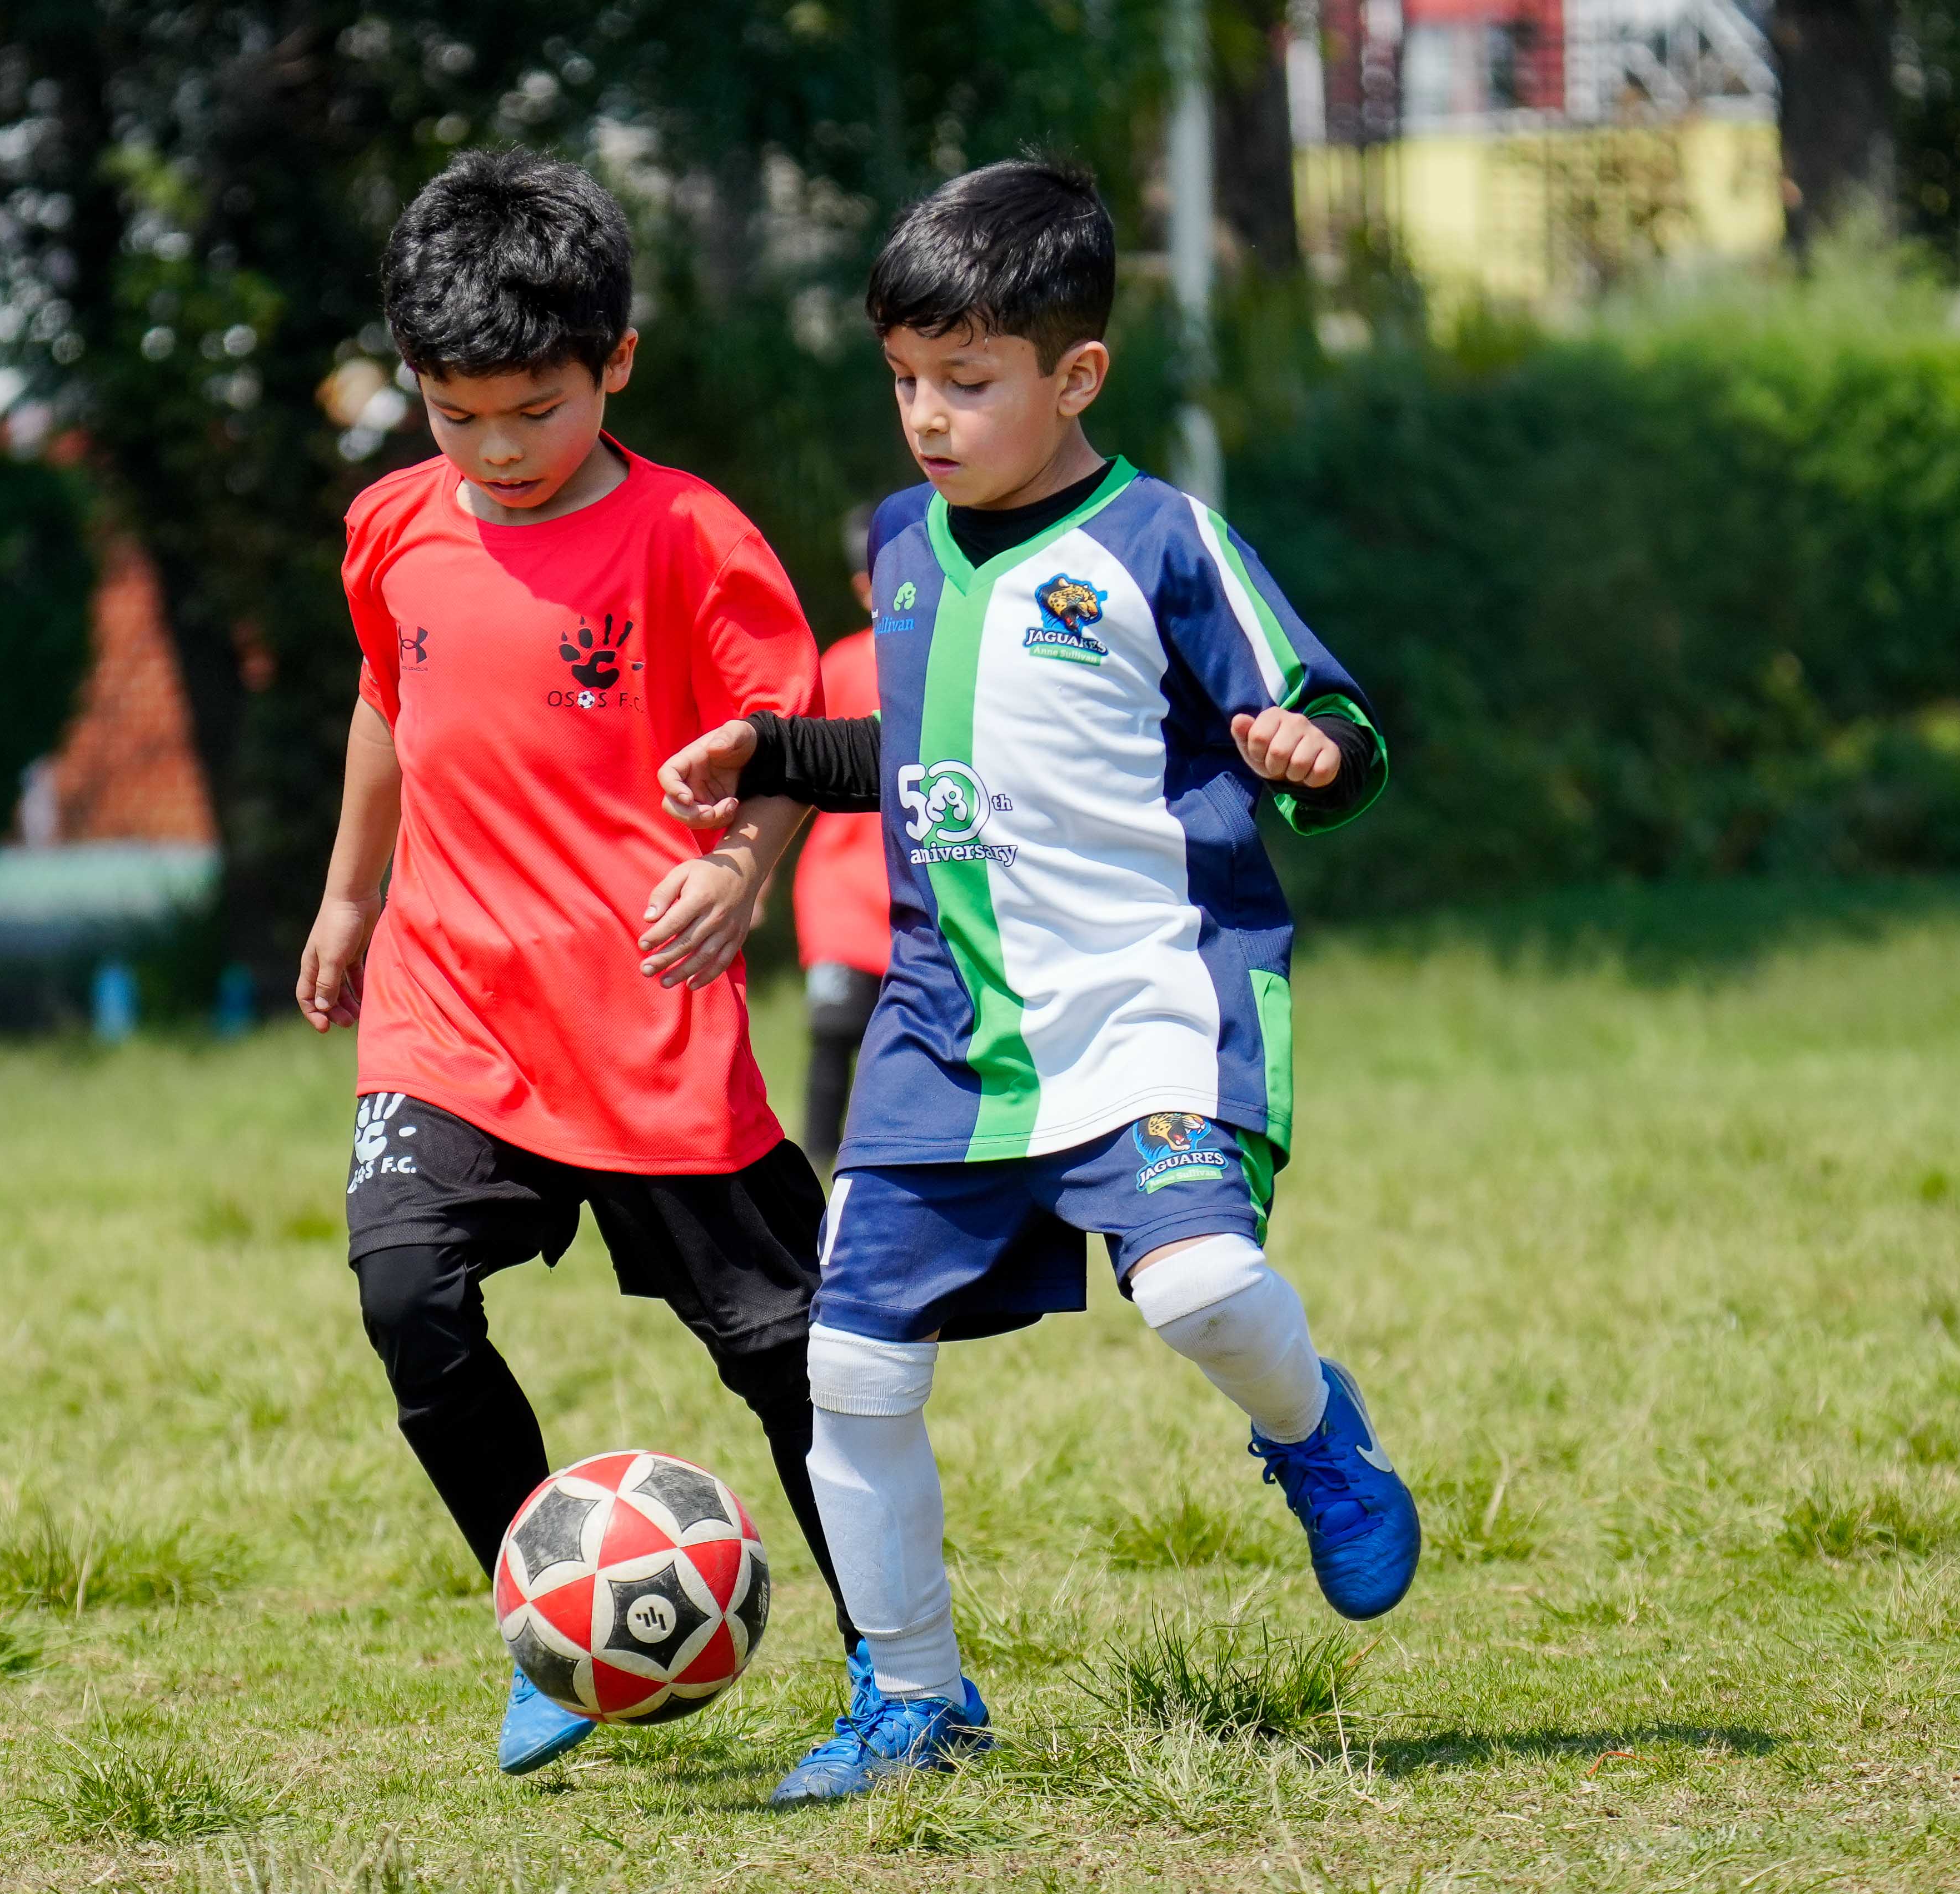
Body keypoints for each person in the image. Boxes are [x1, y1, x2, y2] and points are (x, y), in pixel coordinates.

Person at [657, 158, 1418, 1808]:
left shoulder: (1162, 539)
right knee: (845, 1368)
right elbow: (937, 744)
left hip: (1152, 996)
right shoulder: (901, 543)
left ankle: (1316, 1438)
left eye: (967, 383)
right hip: (947, 1025)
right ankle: (917, 1691)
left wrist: (1314, 751)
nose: (925, 416)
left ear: (1075, 376)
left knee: (1203, 1288)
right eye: (904, 382)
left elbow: (1333, 729)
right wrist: (774, 751)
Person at [295, 148, 859, 1779]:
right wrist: (350, 895)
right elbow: (387, 703)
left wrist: (739, 871)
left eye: (530, 410)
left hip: (646, 1021)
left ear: (615, 362)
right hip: (448, 1002)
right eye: (454, 412)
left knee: (793, 1356)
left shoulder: (692, 537)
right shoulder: (391, 524)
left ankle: (903, 1668)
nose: (491, 448)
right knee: (408, 1291)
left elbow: (781, 750)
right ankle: (544, 1619)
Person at [789, 507, 891, 1166]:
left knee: (907, 1044)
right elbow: (791, 770)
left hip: (924, 886)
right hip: (841, 889)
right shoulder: (843, 664)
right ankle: (820, 1165)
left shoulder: (960, 657)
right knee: (834, 1030)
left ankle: (885, 1161)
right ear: (865, 590)